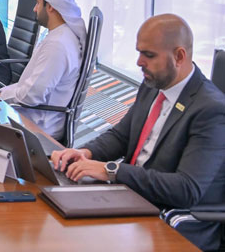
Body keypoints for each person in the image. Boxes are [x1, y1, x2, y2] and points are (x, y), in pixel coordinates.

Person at [51, 14, 225, 251]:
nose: (139, 62)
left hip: (168, 218)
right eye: (139, 52)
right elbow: (122, 136)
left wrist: (112, 170)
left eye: (149, 55)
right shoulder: (153, 84)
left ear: (179, 56)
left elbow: (186, 189)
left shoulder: (211, 110)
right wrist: (85, 153)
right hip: (130, 197)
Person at [0, 0, 86, 140]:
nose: (34, 9)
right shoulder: (60, 34)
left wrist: (1, 97)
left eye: (38, 3)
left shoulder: (57, 44)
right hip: (35, 116)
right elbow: (31, 86)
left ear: (50, 6)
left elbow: (31, 96)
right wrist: (3, 93)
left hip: (37, 126)